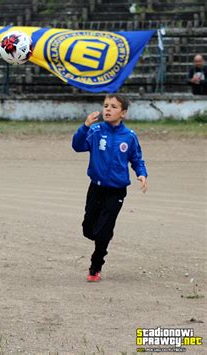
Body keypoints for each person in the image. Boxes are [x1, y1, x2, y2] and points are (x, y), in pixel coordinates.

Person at [72, 94, 147, 282]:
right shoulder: (95, 131)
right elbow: (77, 146)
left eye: (113, 106)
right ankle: (104, 232)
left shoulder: (129, 136)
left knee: (103, 232)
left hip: (117, 190)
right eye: (106, 105)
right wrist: (85, 126)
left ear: (123, 113)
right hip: (96, 188)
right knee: (89, 229)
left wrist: (142, 173)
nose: (108, 109)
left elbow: (137, 158)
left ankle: (95, 267)